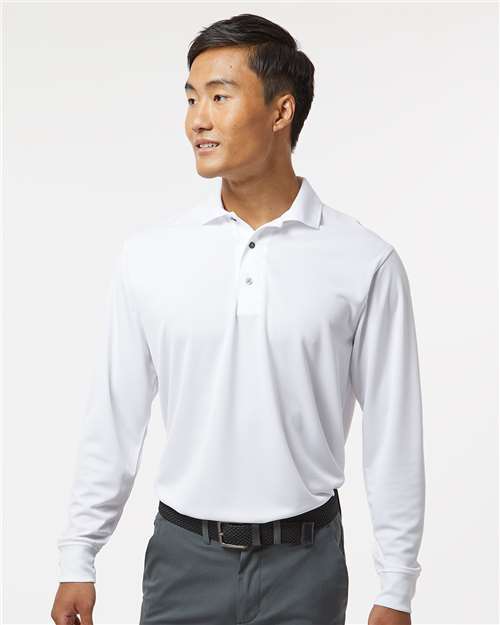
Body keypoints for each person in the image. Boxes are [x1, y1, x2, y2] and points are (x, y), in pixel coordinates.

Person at [51, 12, 425, 625]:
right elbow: (115, 414)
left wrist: (397, 586)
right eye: (191, 99)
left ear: (281, 111)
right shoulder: (150, 255)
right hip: (182, 561)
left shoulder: (364, 260)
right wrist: (79, 554)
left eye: (220, 97)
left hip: (306, 569)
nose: (197, 119)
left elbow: (394, 433)